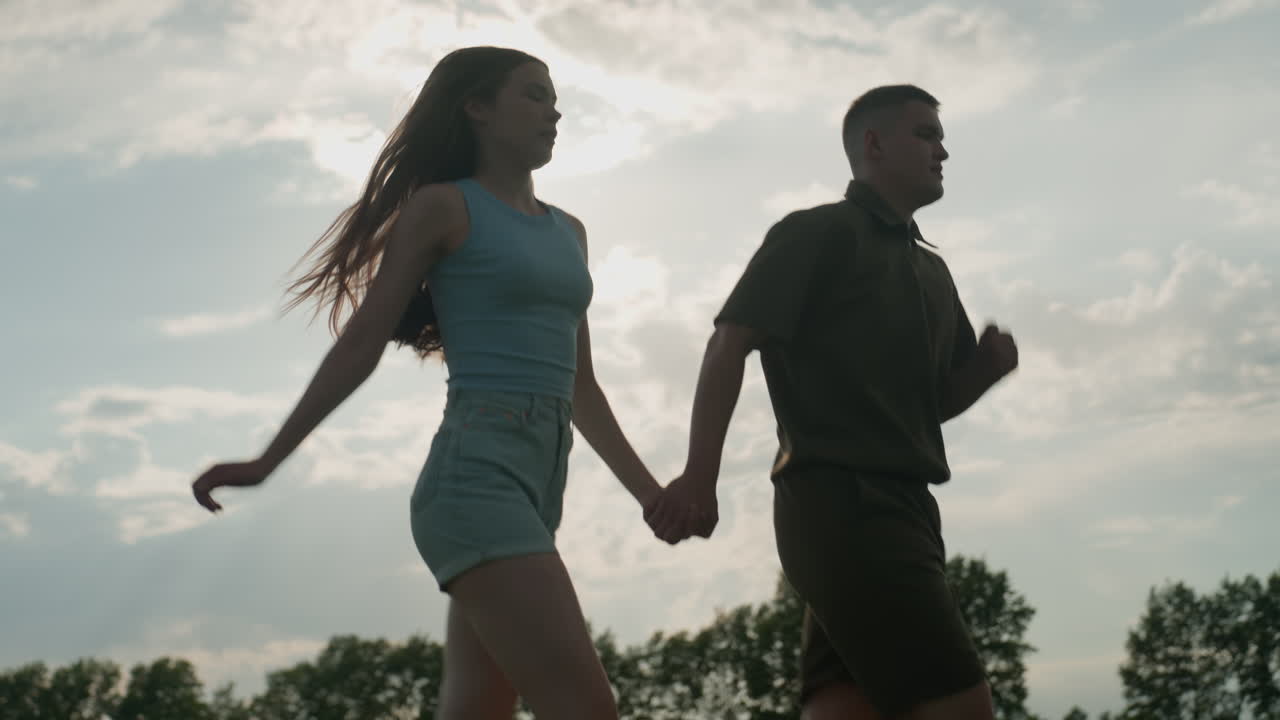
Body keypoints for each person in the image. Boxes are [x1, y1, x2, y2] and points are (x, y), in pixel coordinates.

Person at [191, 46, 661, 720]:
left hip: (538, 487)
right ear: (475, 108)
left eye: (555, 98)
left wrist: (650, 497)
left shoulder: (571, 233)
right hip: (475, 481)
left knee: (478, 711)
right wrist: (268, 460)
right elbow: (362, 342)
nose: (554, 111)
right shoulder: (443, 208)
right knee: (587, 709)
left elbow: (580, 385)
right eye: (533, 94)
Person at [644, 85, 1020, 719]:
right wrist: (699, 479)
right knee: (961, 706)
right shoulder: (816, 233)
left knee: (843, 707)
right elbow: (729, 343)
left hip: (908, 511)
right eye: (925, 134)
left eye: (941, 135)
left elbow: (923, 408)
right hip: (843, 506)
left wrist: (981, 375)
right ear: (873, 145)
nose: (943, 149)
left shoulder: (932, 270)